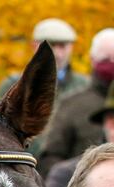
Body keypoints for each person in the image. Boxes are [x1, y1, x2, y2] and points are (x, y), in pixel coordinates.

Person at [39, 28, 114, 176]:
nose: (112, 63)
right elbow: (51, 156)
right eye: (106, 59)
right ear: (93, 60)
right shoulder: (72, 105)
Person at [0, 19, 87, 104]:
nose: (57, 53)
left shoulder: (84, 85)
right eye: (50, 46)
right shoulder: (12, 86)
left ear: (71, 48)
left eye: (62, 46)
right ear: (34, 46)